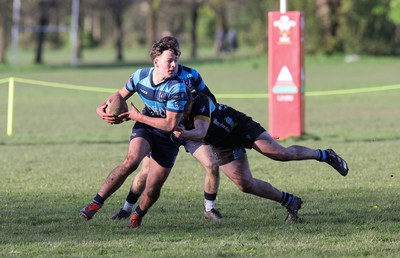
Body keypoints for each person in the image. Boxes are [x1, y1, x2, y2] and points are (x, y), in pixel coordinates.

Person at [172, 91, 349, 223]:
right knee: (245, 185)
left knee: (280, 154)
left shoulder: (199, 100)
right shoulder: (174, 111)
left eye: (187, 109)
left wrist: (184, 133)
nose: (185, 113)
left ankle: (325, 154)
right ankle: (290, 201)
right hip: (221, 143)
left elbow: (200, 130)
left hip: (239, 127)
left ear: (191, 101)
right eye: (182, 110)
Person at [110, 37, 223, 222]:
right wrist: (105, 107)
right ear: (160, 59)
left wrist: (195, 109)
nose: (174, 60)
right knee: (145, 174)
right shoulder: (151, 75)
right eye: (171, 56)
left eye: (176, 55)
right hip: (161, 130)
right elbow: (121, 95)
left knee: (211, 164)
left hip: (188, 130)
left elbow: (209, 98)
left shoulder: (191, 75)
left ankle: (210, 209)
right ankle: (126, 209)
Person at [80, 36, 190, 226]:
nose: (174, 65)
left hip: (168, 137)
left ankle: (137, 215)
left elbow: (170, 125)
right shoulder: (140, 76)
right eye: (169, 61)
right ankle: (95, 203)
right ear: (156, 62)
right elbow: (119, 95)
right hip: (146, 127)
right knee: (131, 161)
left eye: (175, 61)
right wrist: (101, 108)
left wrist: (137, 116)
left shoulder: (177, 87)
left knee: (153, 188)